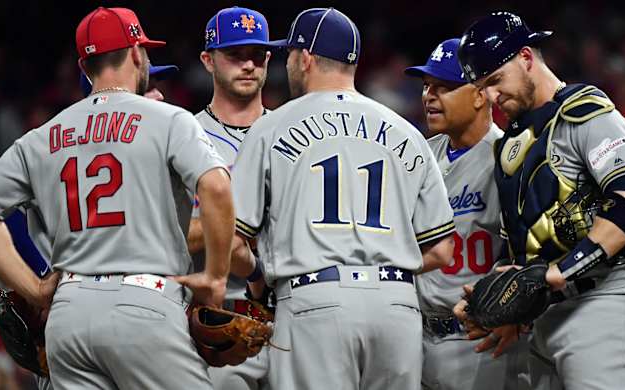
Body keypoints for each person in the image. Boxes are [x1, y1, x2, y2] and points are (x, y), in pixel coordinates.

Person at [0, 7, 233, 389]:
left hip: (68, 316)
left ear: (84, 66)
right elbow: (217, 186)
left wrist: (34, 289)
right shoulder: (168, 119)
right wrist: (216, 277)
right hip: (144, 304)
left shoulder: (42, 135)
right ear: (137, 53)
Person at [231, 8, 455, 389]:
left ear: (305, 58)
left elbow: (235, 242)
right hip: (396, 306)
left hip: (315, 301)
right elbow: (443, 249)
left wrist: (258, 279)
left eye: (289, 56)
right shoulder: (406, 130)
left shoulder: (270, 128)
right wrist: (381, 267)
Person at [454, 11, 625, 390]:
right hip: (549, 317)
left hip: (604, 305)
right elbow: (529, 243)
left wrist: (556, 274)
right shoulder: (513, 145)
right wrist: (501, 300)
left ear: (525, 57)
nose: (489, 96)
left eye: (495, 80)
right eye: (482, 87)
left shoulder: (585, 114)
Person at [404, 37, 528, 390]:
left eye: (443, 87)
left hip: (481, 340)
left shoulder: (508, 157)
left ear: (479, 94)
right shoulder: (418, 154)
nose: (429, 96)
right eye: (427, 86)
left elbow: (525, 252)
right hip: (420, 339)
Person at [188, 7, 275, 390]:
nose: (248, 65)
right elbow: (171, 234)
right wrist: (236, 228)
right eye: (235, 55)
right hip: (222, 321)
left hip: (294, 314)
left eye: (257, 56)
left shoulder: (291, 132)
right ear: (208, 60)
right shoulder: (185, 137)